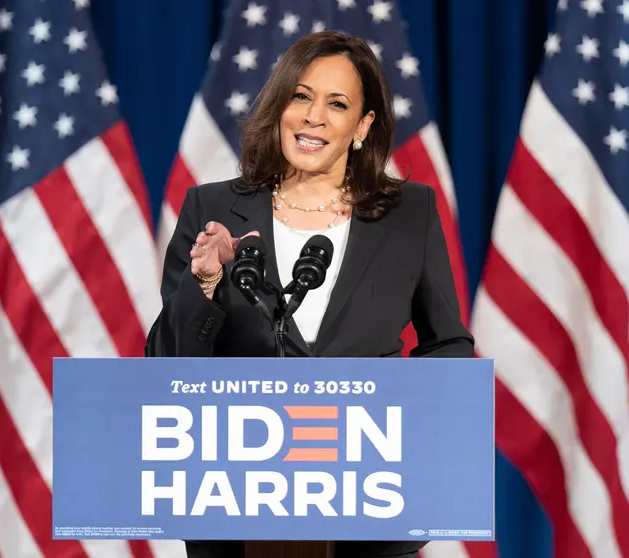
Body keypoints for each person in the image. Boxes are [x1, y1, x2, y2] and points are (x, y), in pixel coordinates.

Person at [145, 30, 474, 558]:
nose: (313, 116)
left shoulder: (411, 214)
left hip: (372, 513)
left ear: (363, 126)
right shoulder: (211, 209)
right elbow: (167, 363)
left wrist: (420, 449)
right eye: (301, 96)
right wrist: (203, 284)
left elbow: (449, 346)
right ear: (279, 107)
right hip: (236, 509)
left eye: (337, 103)